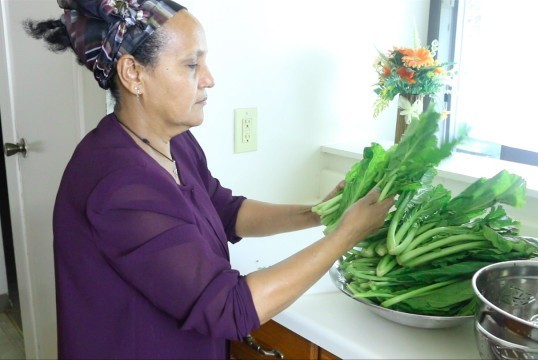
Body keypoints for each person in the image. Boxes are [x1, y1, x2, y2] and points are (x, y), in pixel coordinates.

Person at [24, 1, 394, 359]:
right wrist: (347, 235)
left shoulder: (174, 142)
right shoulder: (118, 182)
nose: (209, 78)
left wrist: (317, 213)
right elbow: (228, 307)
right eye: (190, 64)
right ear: (133, 73)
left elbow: (225, 211)